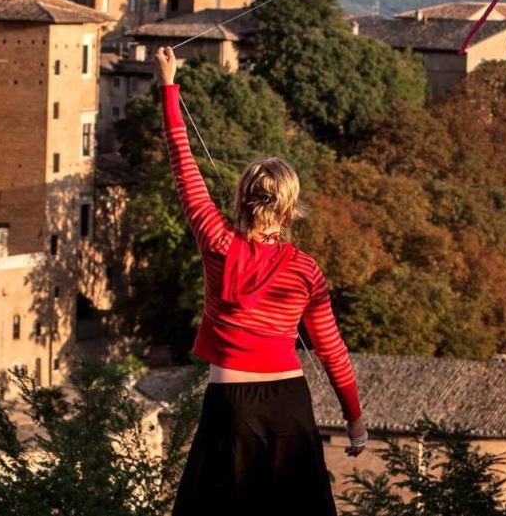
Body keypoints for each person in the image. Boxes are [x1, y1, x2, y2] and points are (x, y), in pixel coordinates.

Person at [154, 47, 367, 516]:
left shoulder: (217, 242)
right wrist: (354, 422)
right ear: (290, 209)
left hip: (231, 403)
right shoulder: (306, 271)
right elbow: (332, 351)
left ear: (242, 198)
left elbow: (181, 160)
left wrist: (169, 84)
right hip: (290, 402)